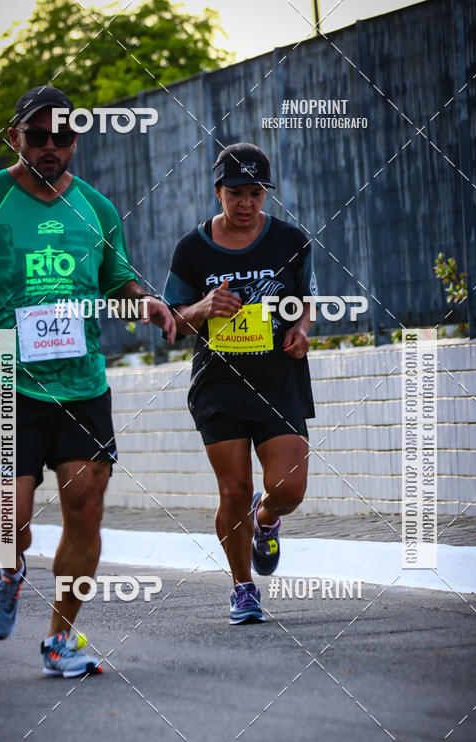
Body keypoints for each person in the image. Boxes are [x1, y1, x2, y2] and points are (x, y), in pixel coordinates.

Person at [0, 85, 176, 676]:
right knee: (9, 523)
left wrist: (149, 303)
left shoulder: (98, 208)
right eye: (37, 136)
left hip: (83, 381)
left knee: (86, 509)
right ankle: (7, 570)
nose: (50, 147)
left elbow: (118, 280)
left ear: (75, 140)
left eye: (62, 136)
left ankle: (60, 638)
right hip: (7, 373)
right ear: (15, 137)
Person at [164, 142, 316, 624]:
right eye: (236, 192)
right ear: (218, 193)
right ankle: (243, 588)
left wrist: (301, 329)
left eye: (255, 193)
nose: (246, 203)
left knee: (288, 489)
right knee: (232, 491)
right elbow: (172, 322)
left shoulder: (291, 241)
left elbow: (306, 300)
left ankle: (266, 519)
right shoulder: (192, 249)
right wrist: (204, 309)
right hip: (219, 387)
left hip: (277, 381)